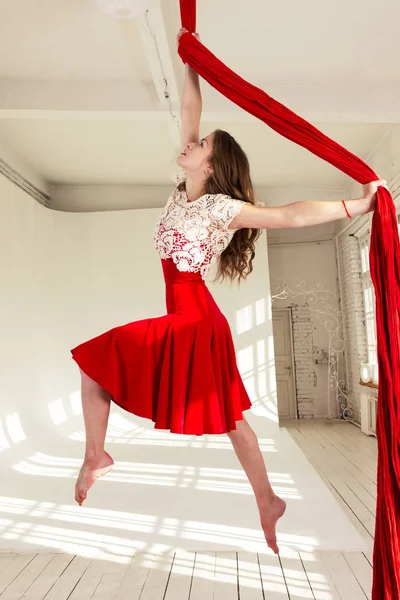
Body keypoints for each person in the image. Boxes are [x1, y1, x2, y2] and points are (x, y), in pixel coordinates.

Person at [71, 28, 387, 555]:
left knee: (95, 363)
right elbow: (190, 111)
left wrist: (357, 207)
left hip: (194, 319)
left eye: (200, 147)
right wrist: (188, 54)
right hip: (194, 317)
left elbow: (287, 215)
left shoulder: (221, 208)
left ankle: (95, 455)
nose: (189, 145)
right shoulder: (182, 194)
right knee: (229, 417)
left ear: (211, 166)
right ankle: (267, 499)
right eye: (193, 143)